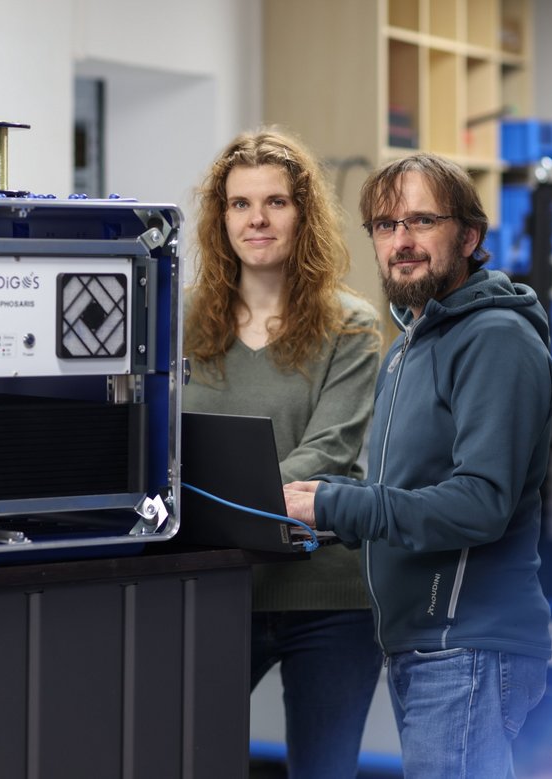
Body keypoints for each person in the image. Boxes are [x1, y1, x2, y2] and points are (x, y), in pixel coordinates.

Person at [283, 152, 552, 778]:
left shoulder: (495, 338)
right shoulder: (411, 346)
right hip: (426, 645)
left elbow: (480, 504)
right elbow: (403, 493)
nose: (401, 241)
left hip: (466, 643)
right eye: (385, 225)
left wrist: (336, 502)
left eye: (422, 221)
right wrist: (317, 506)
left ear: (470, 237)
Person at [182, 128, 383, 777]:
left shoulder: (350, 324)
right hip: (214, 586)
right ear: (221, 219)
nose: (257, 220)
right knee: (181, 756)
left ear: (303, 214)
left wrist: (202, 502)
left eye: (276, 202)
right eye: (240, 204)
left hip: (326, 593)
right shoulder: (179, 321)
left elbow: (327, 453)